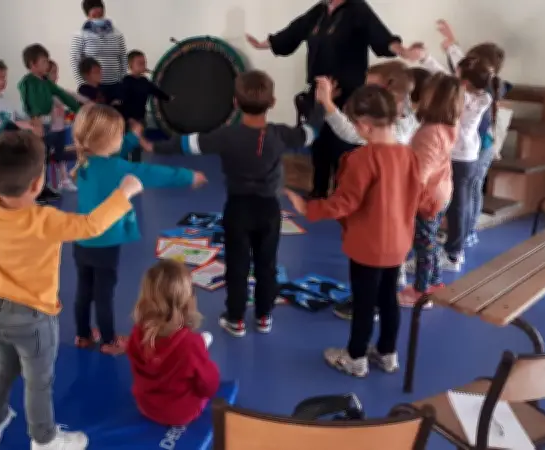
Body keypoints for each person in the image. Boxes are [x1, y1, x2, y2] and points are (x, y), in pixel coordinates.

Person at [0, 130, 143, 450]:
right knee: (38, 381)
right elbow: (91, 226)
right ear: (36, 184)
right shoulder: (44, 219)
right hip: (33, 316)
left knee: (0, 369)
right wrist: (123, 194)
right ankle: (44, 440)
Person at [141, 70, 320, 338]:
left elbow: (187, 144)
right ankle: (263, 316)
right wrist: (321, 101)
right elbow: (309, 133)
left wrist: (154, 147)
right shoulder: (280, 134)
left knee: (236, 265)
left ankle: (235, 318)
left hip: (238, 209)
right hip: (269, 210)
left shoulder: (226, 135)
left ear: (235, 102)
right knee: (266, 264)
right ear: (272, 102)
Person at [284, 85, 439, 378]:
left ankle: (355, 357)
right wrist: (433, 207)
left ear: (365, 126)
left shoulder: (361, 159)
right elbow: (423, 199)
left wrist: (308, 209)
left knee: (365, 304)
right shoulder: (409, 156)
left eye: (355, 124)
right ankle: (387, 353)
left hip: (368, 246)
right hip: (397, 246)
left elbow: (344, 203)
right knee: (388, 299)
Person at [72, 104, 205, 355]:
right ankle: (109, 341)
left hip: (81, 241)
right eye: (119, 135)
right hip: (105, 245)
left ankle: (83, 335)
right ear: (108, 140)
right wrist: (189, 177)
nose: (121, 140)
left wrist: (132, 137)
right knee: (103, 295)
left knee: (83, 290)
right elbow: (154, 173)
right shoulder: (120, 169)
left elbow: (109, 151)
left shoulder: (84, 161)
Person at [245, 0, 410, 198]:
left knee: (343, 143)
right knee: (320, 141)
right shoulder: (319, 12)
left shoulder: (358, 9)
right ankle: (319, 190)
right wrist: (265, 43)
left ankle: (345, 193)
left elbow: (380, 36)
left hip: (347, 92)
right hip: (321, 91)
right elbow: (294, 32)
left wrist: (401, 50)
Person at [405, 43, 498, 272]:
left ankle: (453, 254)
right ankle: (454, 251)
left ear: (464, 82)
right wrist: (451, 47)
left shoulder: (464, 97)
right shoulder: (485, 95)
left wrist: (426, 58)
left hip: (458, 157)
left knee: (455, 205)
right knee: (459, 204)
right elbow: (464, 71)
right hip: (468, 156)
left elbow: (445, 77)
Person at [437, 20, 512, 248]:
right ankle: (464, 231)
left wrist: (452, 47)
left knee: (469, 192)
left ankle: (467, 231)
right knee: (468, 191)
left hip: (479, 149)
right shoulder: (482, 87)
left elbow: (451, 72)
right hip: (478, 148)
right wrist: (452, 43)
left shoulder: (485, 91)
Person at [127, 260, 219, 426]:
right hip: (180, 414)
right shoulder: (190, 344)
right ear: (187, 300)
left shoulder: (138, 332)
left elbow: (136, 366)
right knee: (200, 362)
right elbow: (208, 385)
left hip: (145, 405)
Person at [398, 73, 462, 308]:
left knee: (423, 243)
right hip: (441, 190)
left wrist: (406, 198)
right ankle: (434, 281)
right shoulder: (448, 125)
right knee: (430, 239)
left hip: (427, 197)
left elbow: (420, 174)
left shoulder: (430, 133)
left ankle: (421, 291)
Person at [18, 43, 84, 202]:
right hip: (37, 124)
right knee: (38, 158)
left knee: (45, 156)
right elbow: (28, 101)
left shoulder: (45, 82)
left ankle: (43, 187)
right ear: (33, 64)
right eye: (44, 62)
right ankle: (35, 189)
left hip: (48, 125)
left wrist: (79, 109)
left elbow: (62, 94)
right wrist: (35, 119)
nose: (47, 64)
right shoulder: (28, 82)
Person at [70, 0, 127, 103]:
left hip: (115, 85)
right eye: (94, 14)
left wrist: (122, 79)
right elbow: (75, 61)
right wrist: (83, 84)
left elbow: (123, 57)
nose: (98, 17)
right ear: (88, 15)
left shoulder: (117, 33)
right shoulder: (80, 35)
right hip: (93, 87)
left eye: (100, 13)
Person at [46, 60, 80, 192]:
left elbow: (69, 100)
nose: (57, 76)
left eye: (57, 73)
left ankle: (64, 179)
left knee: (62, 155)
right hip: (48, 131)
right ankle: (45, 183)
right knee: (46, 157)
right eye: (53, 73)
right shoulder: (44, 94)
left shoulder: (59, 92)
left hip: (59, 131)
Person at [120, 50, 171, 123]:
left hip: (141, 118)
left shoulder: (144, 81)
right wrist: (129, 120)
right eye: (139, 63)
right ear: (131, 65)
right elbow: (123, 101)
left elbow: (156, 91)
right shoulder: (127, 81)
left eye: (144, 63)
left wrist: (168, 98)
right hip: (129, 120)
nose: (143, 65)